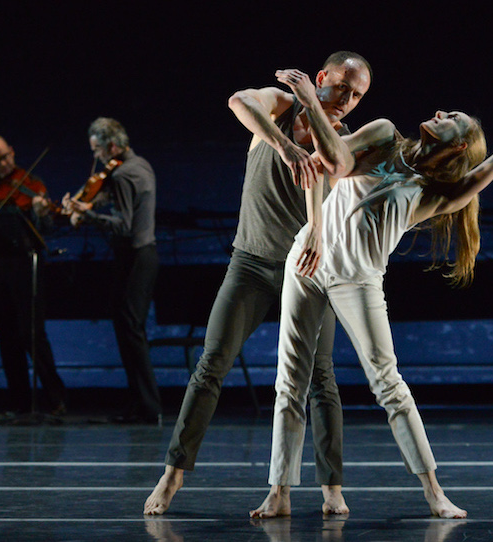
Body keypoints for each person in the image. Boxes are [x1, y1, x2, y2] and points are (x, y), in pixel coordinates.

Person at [251, 56, 493, 519]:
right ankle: (278, 493)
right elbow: (332, 165)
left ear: (460, 143)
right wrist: (318, 230)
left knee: (388, 384)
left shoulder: (437, 192)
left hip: (357, 278)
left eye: (452, 120)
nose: (441, 113)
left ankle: (434, 493)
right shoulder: (383, 134)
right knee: (290, 382)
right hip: (307, 261)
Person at [145, 52, 372, 515]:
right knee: (211, 364)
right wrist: (285, 147)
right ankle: (172, 475)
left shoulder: (343, 139)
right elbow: (238, 100)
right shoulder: (281, 107)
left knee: (320, 379)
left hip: (308, 273)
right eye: (343, 86)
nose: (348, 99)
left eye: (357, 94)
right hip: (251, 263)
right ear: (322, 76)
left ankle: (332, 488)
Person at [61, 117, 160, 424]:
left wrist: (87, 216)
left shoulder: (124, 175)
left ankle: (147, 406)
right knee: (128, 329)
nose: (96, 157)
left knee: (131, 331)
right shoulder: (137, 165)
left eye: (97, 150)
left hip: (136, 257)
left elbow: (124, 225)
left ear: (112, 146)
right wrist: (86, 205)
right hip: (137, 256)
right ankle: (139, 403)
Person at [0, 134, 67, 415]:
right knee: (7, 336)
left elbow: (45, 231)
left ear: (12, 151)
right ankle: (19, 401)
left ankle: (55, 397)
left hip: (26, 268)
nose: (4, 164)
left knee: (31, 334)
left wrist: (41, 213)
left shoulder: (33, 185)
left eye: (6, 157)